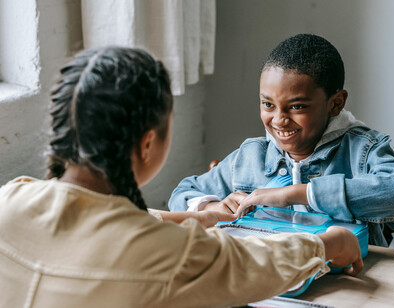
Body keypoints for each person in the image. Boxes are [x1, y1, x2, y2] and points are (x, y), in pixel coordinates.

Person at [0, 46, 363, 307]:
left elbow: (96, 222)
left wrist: (199, 216)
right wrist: (329, 244)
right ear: (146, 144)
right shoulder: (168, 254)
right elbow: (255, 264)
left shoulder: (11, 198)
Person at [168, 33, 394, 247]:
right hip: (272, 281)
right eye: (268, 105)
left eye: (296, 106)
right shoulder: (251, 156)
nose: (279, 119)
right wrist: (209, 208)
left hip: (351, 282)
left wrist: (297, 194)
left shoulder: (362, 152)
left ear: (335, 103)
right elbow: (181, 194)